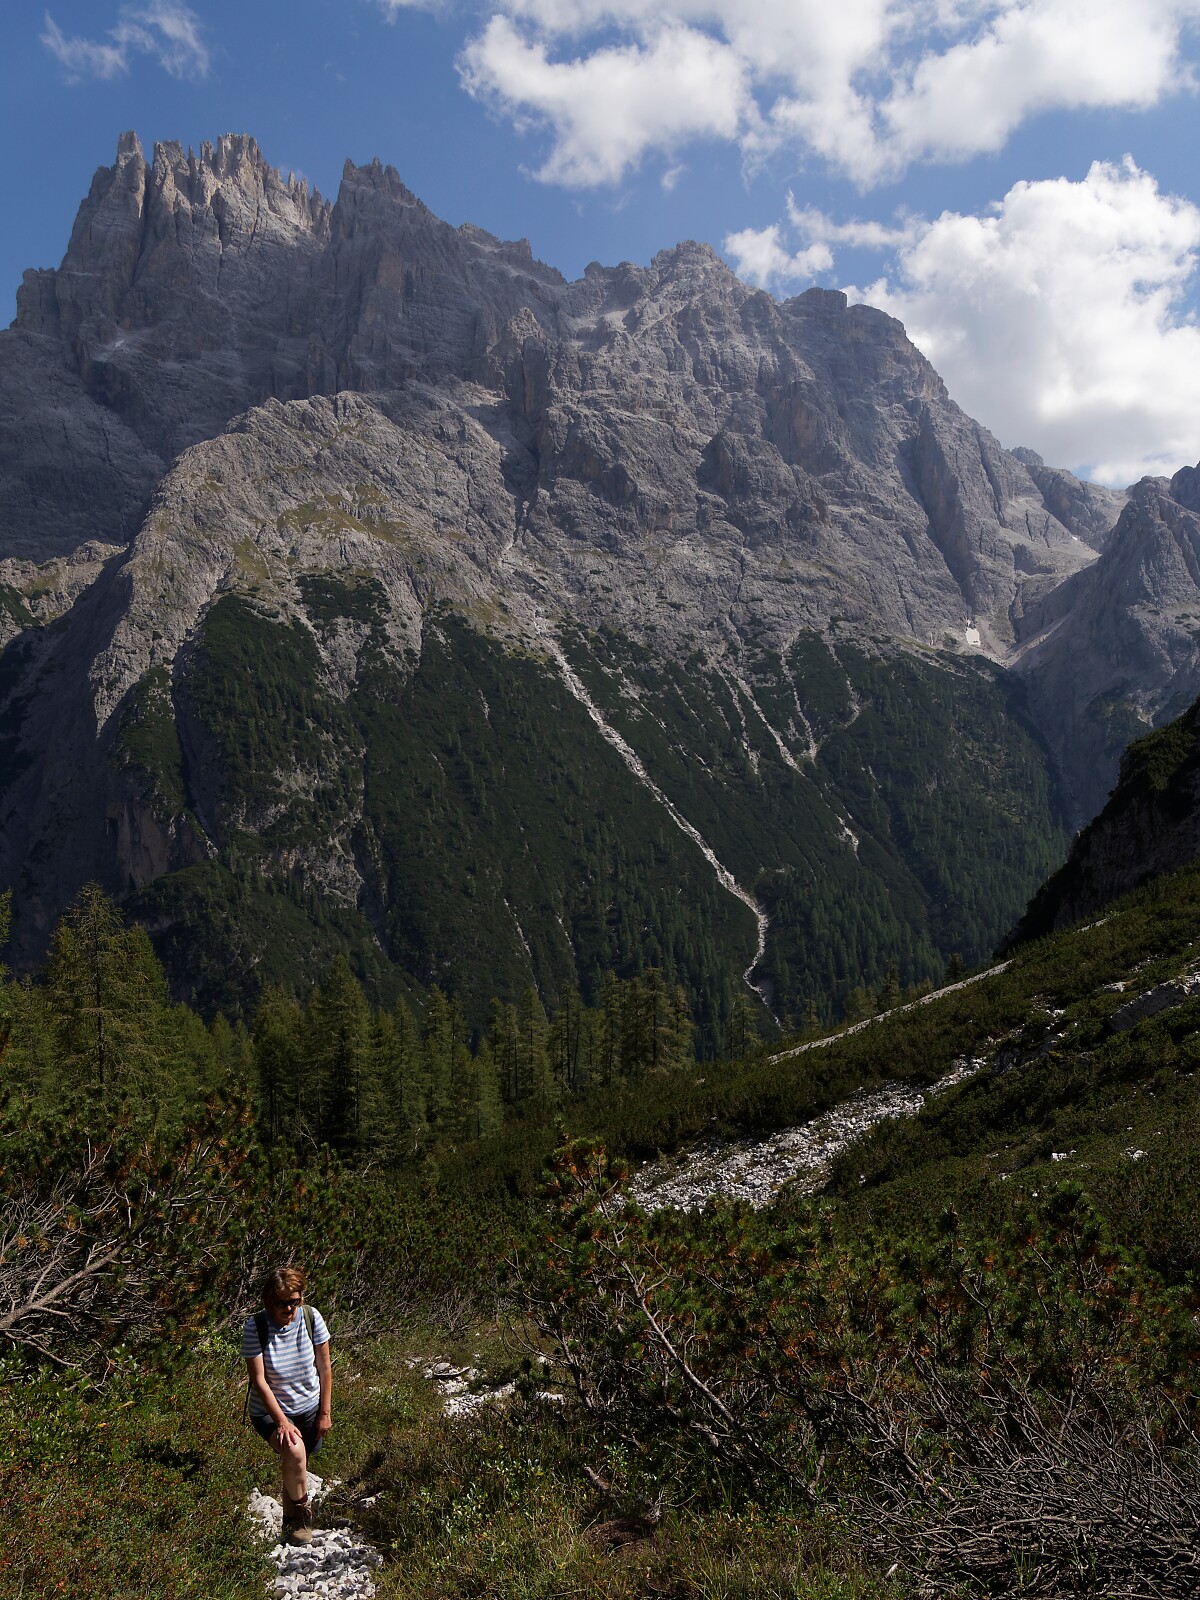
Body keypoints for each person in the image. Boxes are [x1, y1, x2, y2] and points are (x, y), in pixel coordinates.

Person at [241, 1266, 332, 1546]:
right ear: (268, 1301)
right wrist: (281, 1421)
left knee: (296, 1462)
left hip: (309, 1405)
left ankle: (288, 1524)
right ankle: (303, 1516)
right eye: (281, 1302)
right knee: (293, 1449)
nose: (288, 1308)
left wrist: (325, 1412)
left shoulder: (311, 1317)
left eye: (294, 1301)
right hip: (270, 1410)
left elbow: (325, 1368)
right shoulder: (255, 1327)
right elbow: (259, 1380)